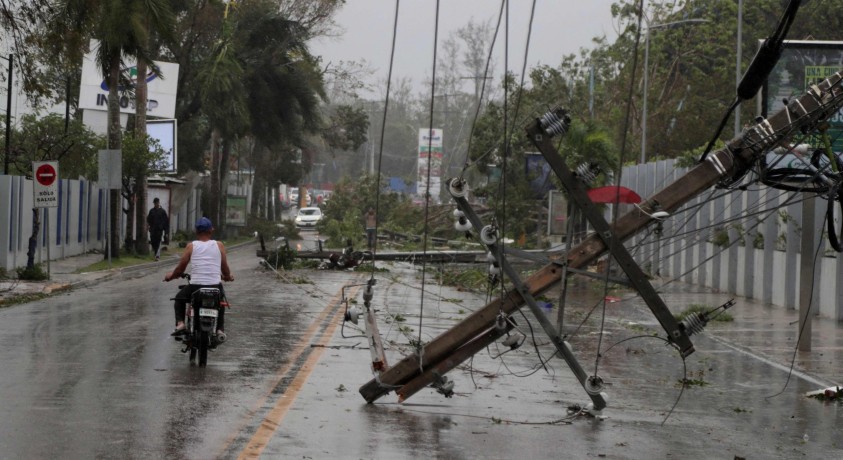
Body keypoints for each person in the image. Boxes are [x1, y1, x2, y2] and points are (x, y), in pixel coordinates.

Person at [164, 217, 234, 338]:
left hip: (195, 287)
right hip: (215, 286)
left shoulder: (191, 246)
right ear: (211, 231)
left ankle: (180, 323)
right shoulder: (219, 245)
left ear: (196, 232)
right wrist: (227, 276)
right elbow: (225, 268)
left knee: (179, 298)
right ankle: (219, 329)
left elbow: (180, 269)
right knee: (220, 302)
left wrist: (171, 276)